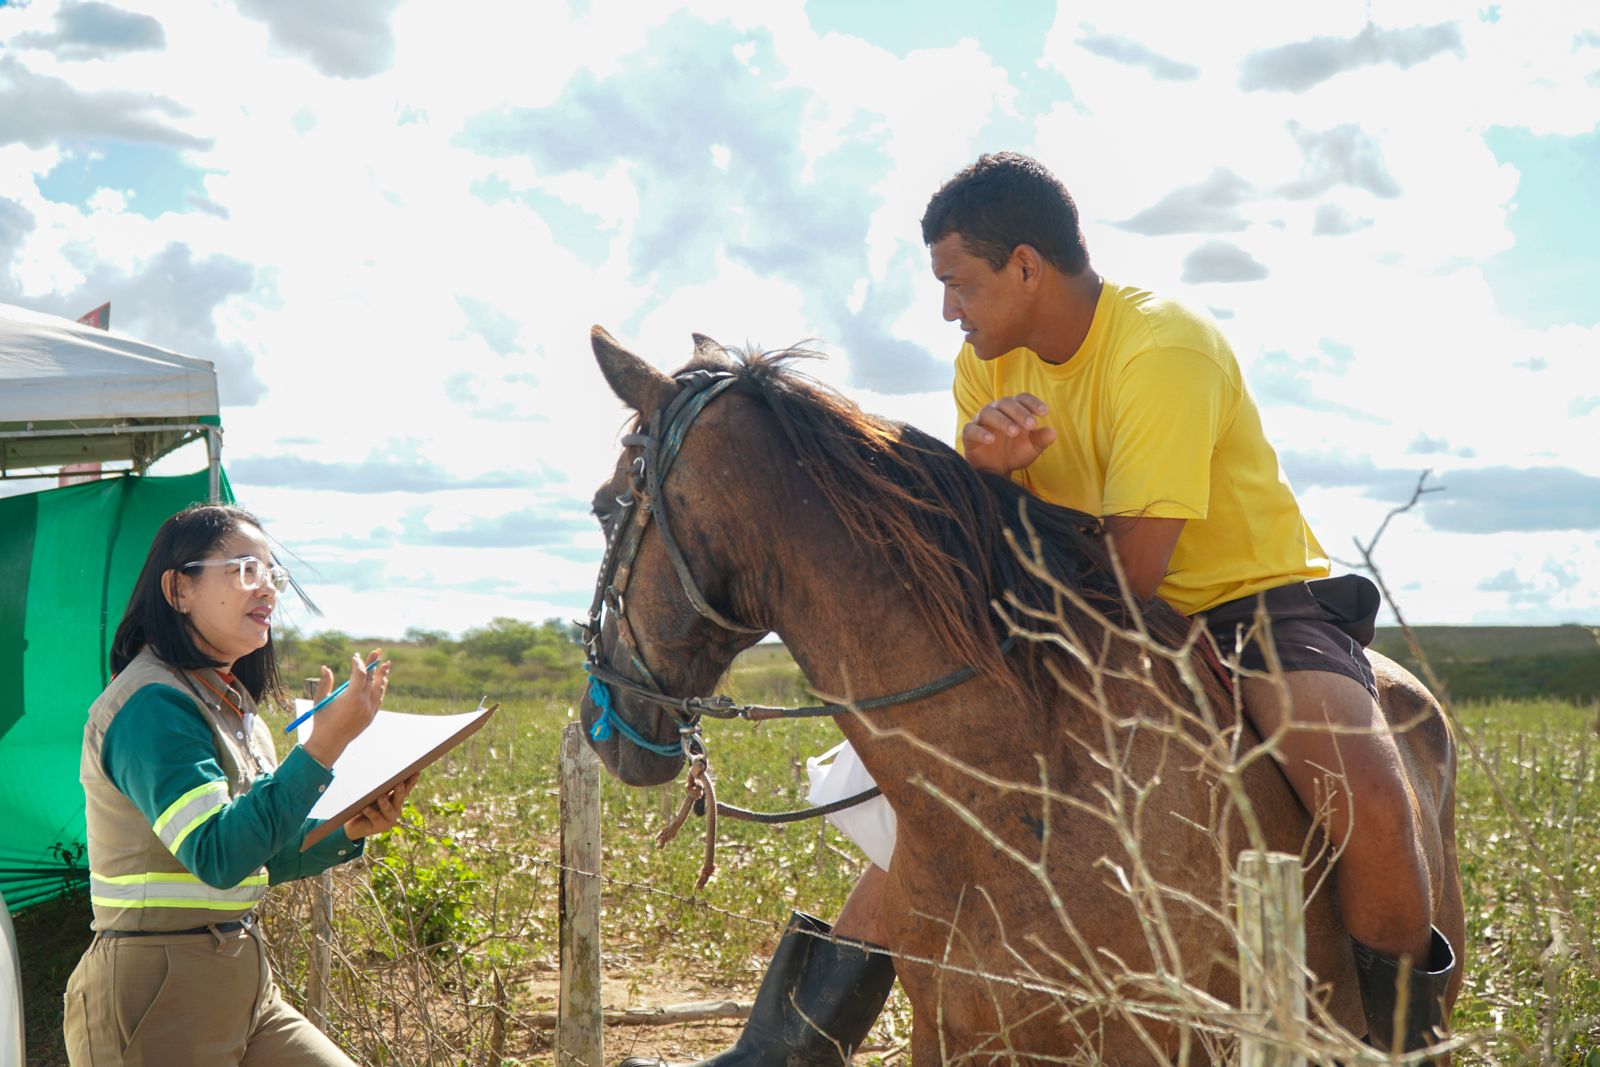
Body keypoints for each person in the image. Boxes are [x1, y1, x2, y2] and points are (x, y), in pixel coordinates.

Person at [623, 152, 1455, 1067]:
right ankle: (787, 1049)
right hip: (1074, 612)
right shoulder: (985, 364)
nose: (949, 310)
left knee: (1371, 799)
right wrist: (985, 481)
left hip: (1243, 605)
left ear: (1026, 265)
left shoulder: (1162, 347)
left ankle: (1403, 1040)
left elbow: (1142, 568)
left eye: (959, 284)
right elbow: (1002, 550)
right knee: (948, 795)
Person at [62, 503, 418, 1066]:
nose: (269, 590)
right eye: (246, 570)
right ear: (179, 589)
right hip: (161, 991)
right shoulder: (154, 704)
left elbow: (258, 856)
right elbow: (218, 854)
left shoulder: (228, 707)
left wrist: (344, 827)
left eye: (272, 575)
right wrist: (323, 748)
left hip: (243, 978)